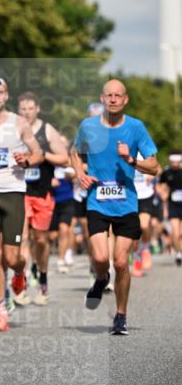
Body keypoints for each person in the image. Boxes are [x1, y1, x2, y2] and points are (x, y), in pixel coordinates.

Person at [71, 79, 159, 335]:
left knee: (121, 262)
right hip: (97, 200)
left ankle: (120, 315)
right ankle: (100, 279)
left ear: (125, 99)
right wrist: (80, 173)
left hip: (127, 204)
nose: (112, 99)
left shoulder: (136, 128)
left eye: (117, 95)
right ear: (102, 98)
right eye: (108, 95)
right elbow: (74, 153)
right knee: (100, 258)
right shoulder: (88, 126)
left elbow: (154, 166)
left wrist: (131, 159)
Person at [0, 77, 42, 331]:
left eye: (0, 92)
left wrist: (27, 160)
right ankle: (1, 310)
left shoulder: (19, 122)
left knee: (12, 257)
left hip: (13, 192)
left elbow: (38, 153)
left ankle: (18, 273)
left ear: (6, 96)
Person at [17, 92, 69, 305]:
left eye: (30, 108)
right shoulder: (14, 130)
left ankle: (43, 278)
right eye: (23, 108)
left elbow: (64, 159)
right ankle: (21, 283)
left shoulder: (46, 130)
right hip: (20, 191)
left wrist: (42, 154)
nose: (26, 112)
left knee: (41, 239)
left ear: (37, 109)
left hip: (43, 193)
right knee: (22, 238)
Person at [160, 151, 182, 266]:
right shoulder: (166, 173)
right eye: (172, 161)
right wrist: (163, 194)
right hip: (173, 205)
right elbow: (161, 186)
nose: (174, 163)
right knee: (176, 231)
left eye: (176, 161)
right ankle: (179, 253)